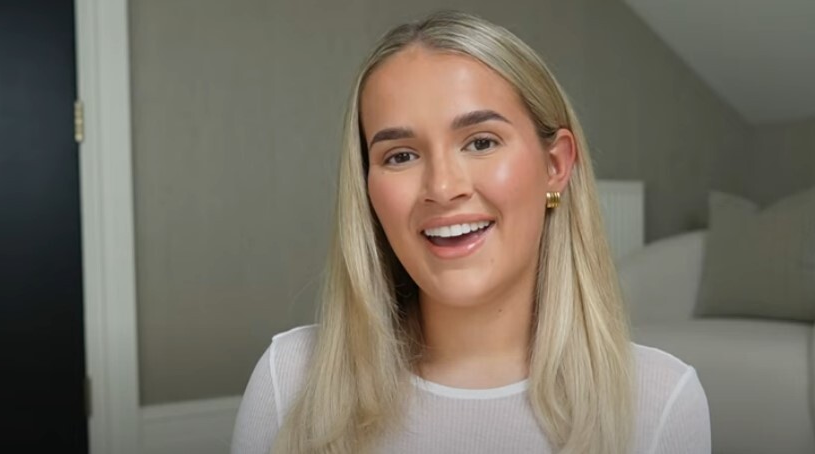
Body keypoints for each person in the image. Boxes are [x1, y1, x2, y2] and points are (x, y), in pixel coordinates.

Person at [232, 10, 710, 454]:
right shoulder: (289, 379)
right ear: (367, 187)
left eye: (481, 142)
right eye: (400, 155)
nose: (442, 187)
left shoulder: (661, 402)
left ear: (555, 164)